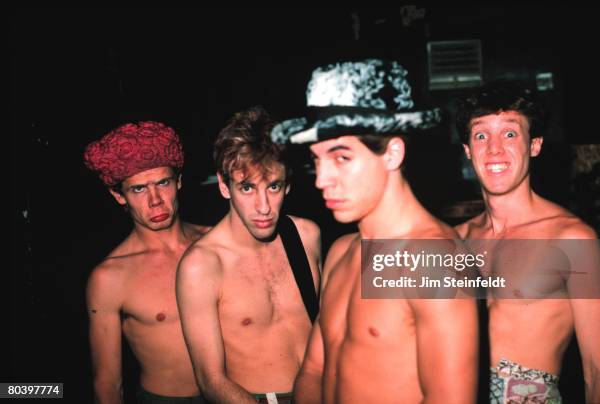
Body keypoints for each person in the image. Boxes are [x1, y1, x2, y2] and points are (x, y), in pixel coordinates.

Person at [272, 58, 479, 403]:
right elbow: (313, 370)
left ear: (393, 153)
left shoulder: (436, 261)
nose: (322, 179)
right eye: (316, 160)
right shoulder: (342, 251)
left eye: (341, 158)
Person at [454, 81, 600, 403]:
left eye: (510, 134)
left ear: (535, 145)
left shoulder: (572, 238)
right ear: (468, 150)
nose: (494, 149)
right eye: (481, 135)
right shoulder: (453, 241)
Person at [176, 106, 321, 404]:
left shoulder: (307, 236)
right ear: (223, 186)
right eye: (247, 187)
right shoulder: (202, 265)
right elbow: (210, 380)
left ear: (288, 184)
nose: (264, 206)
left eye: (274, 186)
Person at [84, 121, 210, 404]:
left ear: (178, 181)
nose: (155, 201)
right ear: (119, 196)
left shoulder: (217, 243)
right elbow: (107, 383)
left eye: (163, 183)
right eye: (139, 189)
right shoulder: (110, 276)